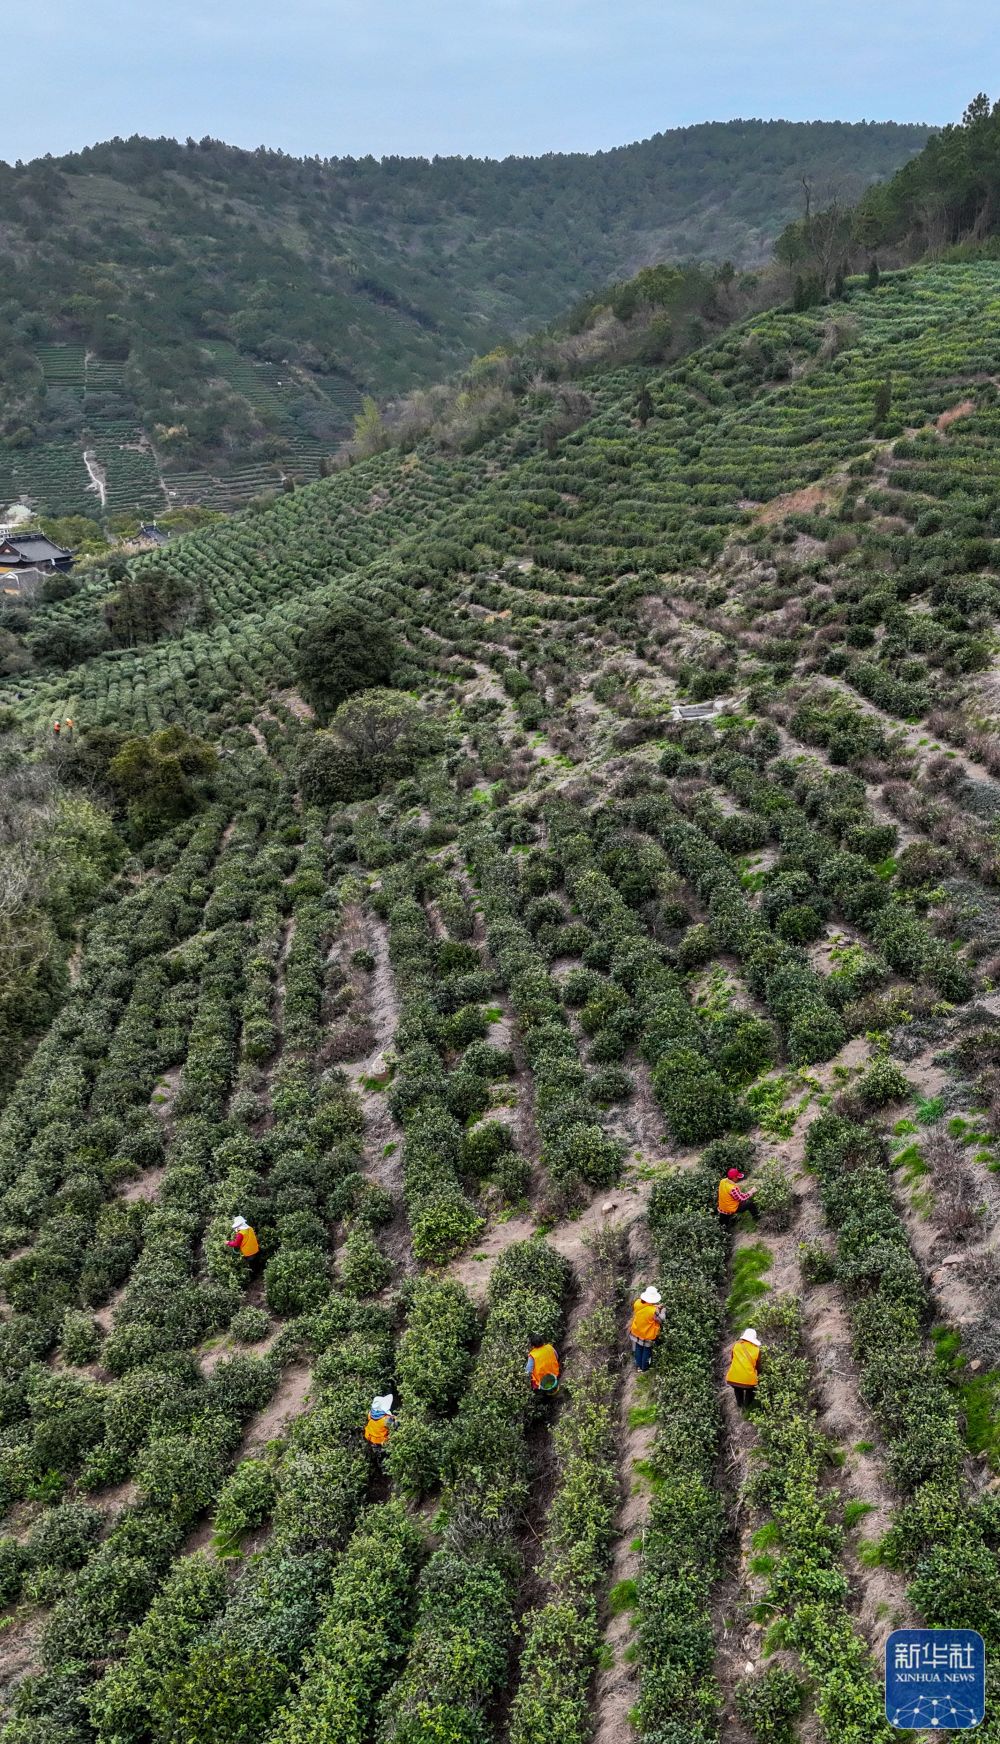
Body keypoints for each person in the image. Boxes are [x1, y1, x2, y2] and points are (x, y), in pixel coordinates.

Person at [629, 1286, 665, 1372]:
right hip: (647, 1335)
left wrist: (655, 1307)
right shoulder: (653, 1311)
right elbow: (660, 1320)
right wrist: (663, 1311)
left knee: (638, 1348)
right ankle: (645, 1368)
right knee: (647, 1351)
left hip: (637, 1331)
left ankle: (638, 1366)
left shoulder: (637, 1302)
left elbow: (645, 1307)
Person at [726, 1327, 761, 1408]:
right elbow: (758, 1367)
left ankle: (740, 1405)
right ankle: (747, 1406)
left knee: (737, 1389)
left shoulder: (736, 1345)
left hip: (733, 1378)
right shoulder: (757, 1350)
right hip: (749, 1381)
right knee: (751, 1389)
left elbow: (732, 1359)